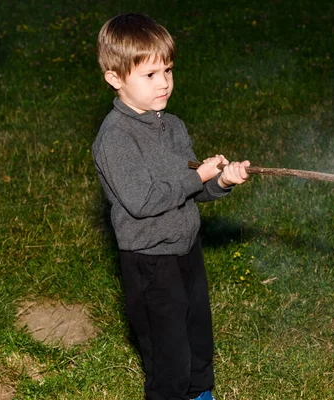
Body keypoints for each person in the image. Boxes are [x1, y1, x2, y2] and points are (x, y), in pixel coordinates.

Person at [92, 13, 250, 400]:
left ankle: (200, 393)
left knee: (197, 334)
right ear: (115, 78)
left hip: (186, 249)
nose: (164, 82)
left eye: (168, 70)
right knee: (167, 352)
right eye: (149, 75)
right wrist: (196, 178)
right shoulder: (116, 139)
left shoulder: (173, 126)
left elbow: (188, 191)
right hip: (149, 261)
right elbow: (144, 201)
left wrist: (219, 182)